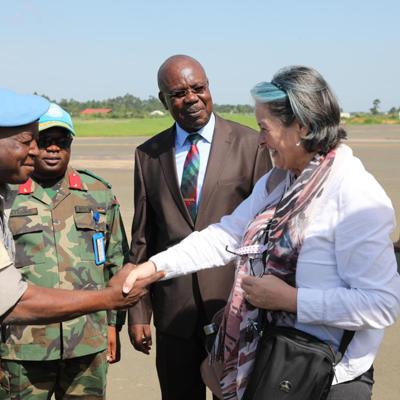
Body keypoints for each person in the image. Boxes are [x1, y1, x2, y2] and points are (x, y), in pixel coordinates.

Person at [124, 65, 400, 400]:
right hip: (280, 368)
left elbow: (381, 304)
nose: (260, 139)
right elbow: (227, 235)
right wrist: (154, 268)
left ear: (302, 127)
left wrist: (290, 300)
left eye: (265, 128)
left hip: (330, 377)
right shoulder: (279, 182)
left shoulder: (355, 195)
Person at [0, 88, 163, 398]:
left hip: (87, 340)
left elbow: (115, 259)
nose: (52, 149)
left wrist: (112, 325)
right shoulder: (9, 192)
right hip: (22, 345)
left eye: (62, 141)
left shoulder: (97, 192)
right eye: (43, 141)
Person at [127, 54, 272, 400]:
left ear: (209, 88)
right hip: (174, 315)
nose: (192, 98)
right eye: (179, 93)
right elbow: (143, 238)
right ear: (163, 100)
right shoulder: (149, 155)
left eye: (198, 88)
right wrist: (138, 312)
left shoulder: (250, 145)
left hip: (234, 309)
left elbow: (265, 231)